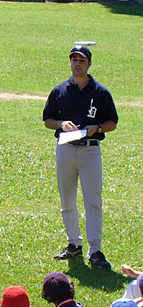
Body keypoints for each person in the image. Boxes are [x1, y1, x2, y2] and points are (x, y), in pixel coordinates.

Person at [43, 45, 118, 269]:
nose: (77, 64)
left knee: (92, 201)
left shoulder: (100, 92)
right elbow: (48, 120)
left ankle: (95, 250)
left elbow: (112, 123)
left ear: (89, 64)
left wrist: (98, 127)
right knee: (67, 201)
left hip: (90, 150)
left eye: (82, 60)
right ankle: (74, 245)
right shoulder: (60, 90)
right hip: (65, 149)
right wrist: (60, 124)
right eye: (74, 60)